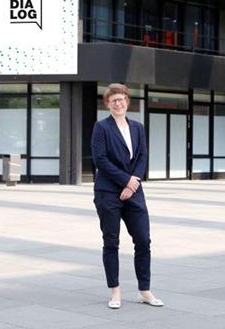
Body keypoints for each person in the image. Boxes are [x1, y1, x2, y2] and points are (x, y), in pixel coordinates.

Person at [91, 83, 163, 309]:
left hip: (134, 191)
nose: (118, 103)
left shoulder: (138, 128)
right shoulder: (101, 127)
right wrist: (125, 180)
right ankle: (115, 292)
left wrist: (132, 185)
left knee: (143, 240)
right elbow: (100, 159)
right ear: (108, 104)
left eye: (121, 99)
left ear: (127, 102)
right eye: (113, 100)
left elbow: (142, 156)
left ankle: (144, 290)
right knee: (111, 241)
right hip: (108, 192)